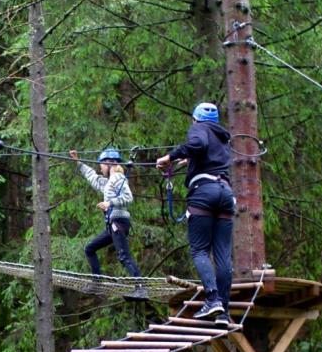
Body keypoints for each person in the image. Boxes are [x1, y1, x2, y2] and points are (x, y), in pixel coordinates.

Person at [156, 102, 234, 325]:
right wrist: (190, 160)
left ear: (195, 119)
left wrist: (168, 158)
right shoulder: (221, 137)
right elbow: (206, 153)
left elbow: (198, 143)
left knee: (200, 250)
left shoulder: (199, 128)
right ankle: (223, 313)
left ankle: (212, 298)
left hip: (204, 193)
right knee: (223, 256)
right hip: (225, 193)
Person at [70, 148, 146, 299]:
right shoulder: (110, 181)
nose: (99, 167)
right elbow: (93, 178)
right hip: (113, 225)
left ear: (109, 163)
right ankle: (97, 283)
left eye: (101, 165)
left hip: (119, 223)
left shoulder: (118, 177)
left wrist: (109, 203)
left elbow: (128, 197)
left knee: (124, 257)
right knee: (90, 248)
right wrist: (78, 162)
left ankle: (141, 289)